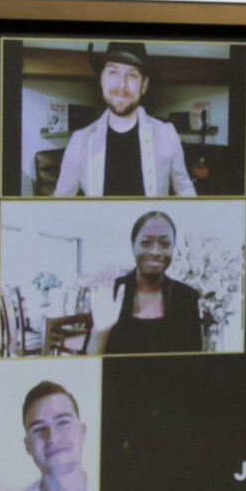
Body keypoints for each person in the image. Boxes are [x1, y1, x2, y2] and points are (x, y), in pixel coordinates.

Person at [49, 41, 195, 197]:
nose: (122, 85)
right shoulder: (79, 141)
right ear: (101, 79)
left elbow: (185, 190)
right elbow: (61, 202)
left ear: (144, 85)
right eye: (113, 72)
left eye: (132, 75)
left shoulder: (167, 134)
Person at [83, 210, 205, 355]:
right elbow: (88, 360)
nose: (155, 251)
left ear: (173, 247)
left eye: (165, 244)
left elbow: (194, 358)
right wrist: (100, 332)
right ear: (133, 245)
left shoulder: (186, 297)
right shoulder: (111, 293)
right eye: (146, 243)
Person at [5, 381, 93, 491]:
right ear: (28, 445)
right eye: (39, 429)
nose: (52, 438)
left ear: (82, 431)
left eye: (62, 423)